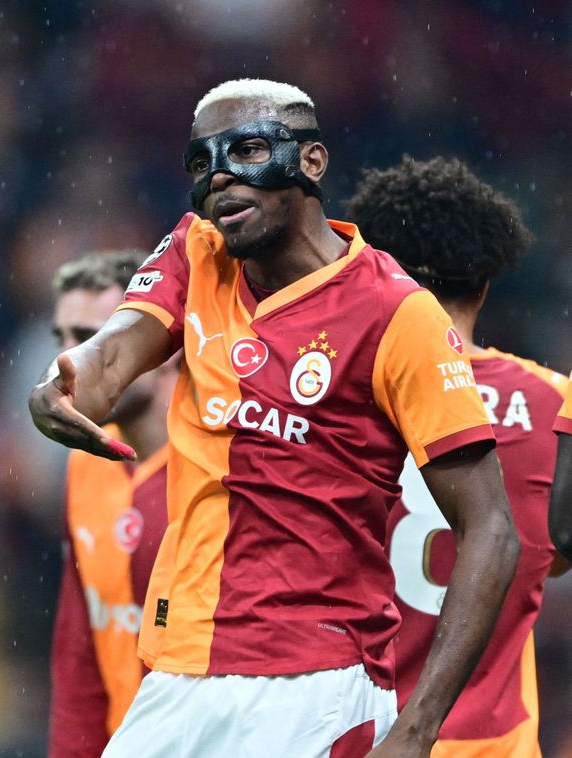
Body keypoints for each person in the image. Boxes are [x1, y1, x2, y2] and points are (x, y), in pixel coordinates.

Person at [28, 78, 519, 757]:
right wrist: (60, 386)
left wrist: (417, 729)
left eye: (247, 151)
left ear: (311, 161)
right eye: (201, 163)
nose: (219, 177)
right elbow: (109, 355)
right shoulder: (195, 253)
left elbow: (491, 528)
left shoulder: (396, 313)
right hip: (179, 672)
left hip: (315, 683)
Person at [346, 155, 568, 757]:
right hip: (490, 743)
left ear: (379, 272)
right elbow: (555, 552)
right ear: (485, 283)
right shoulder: (555, 403)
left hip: (350, 734)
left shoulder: (331, 398)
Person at [46, 251, 177, 757]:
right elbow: (79, 654)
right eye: (60, 339)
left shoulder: (223, 470)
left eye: (89, 339)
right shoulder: (84, 465)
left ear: (162, 346)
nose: (67, 361)